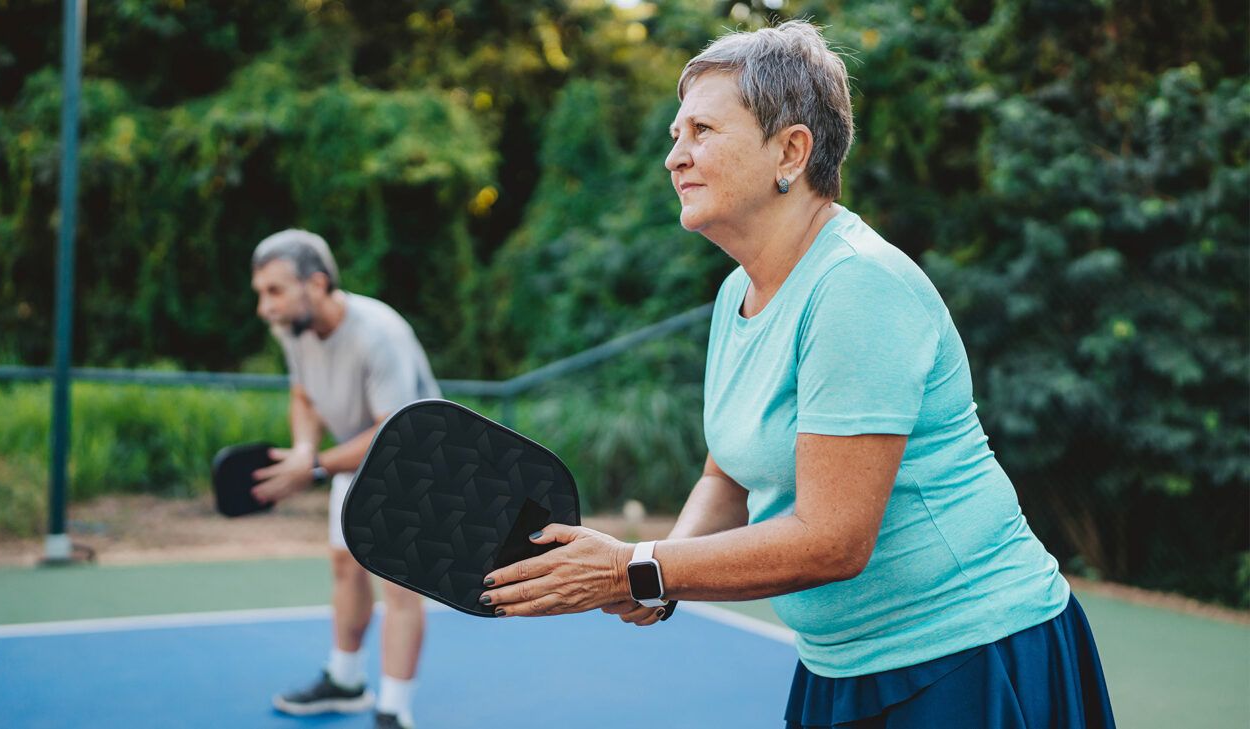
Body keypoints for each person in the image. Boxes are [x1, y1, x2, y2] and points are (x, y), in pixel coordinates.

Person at [475, 21, 1116, 729]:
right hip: (840, 664)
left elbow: (833, 539)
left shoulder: (857, 285)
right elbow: (727, 474)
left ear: (791, 150)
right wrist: (657, 577)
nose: (675, 157)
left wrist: (639, 564)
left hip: (967, 658)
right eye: (674, 134)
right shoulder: (736, 293)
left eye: (702, 131)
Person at [249, 229, 440, 729]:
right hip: (352, 459)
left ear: (315, 283)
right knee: (345, 566)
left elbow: (392, 427)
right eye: (260, 293)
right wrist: (306, 449)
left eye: (274, 291)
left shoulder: (379, 332)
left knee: (397, 585)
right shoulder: (294, 330)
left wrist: (312, 468)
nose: (264, 307)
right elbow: (304, 394)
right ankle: (346, 680)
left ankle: (394, 711)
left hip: (410, 461)